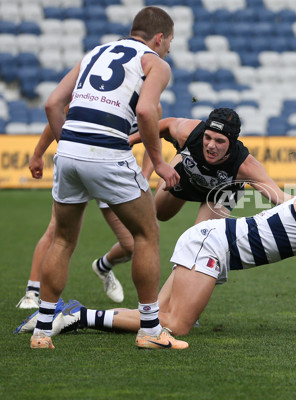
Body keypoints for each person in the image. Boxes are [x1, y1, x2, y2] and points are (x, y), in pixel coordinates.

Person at [24, 161, 296, 338]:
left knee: (157, 317)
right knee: (173, 327)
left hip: (211, 241)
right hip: (212, 242)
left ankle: (74, 315)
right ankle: (79, 315)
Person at [32, 6, 186, 350]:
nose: (169, 50)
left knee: (62, 241)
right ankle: (149, 331)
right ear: (159, 37)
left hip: (68, 153)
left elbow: (54, 104)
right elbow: (146, 111)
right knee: (146, 234)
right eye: (170, 42)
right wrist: (159, 163)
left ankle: (42, 331)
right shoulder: (155, 63)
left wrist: (70, 144)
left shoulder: (94, 52)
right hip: (108, 153)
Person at [91, 107, 291, 286]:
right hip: (185, 177)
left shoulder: (246, 166)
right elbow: (159, 127)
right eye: (208, 137)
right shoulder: (190, 132)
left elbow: (281, 199)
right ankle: (103, 263)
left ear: (232, 143)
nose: (211, 145)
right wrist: (129, 142)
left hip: (221, 192)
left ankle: (183, 300)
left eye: (220, 141)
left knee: (199, 244)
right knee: (158, 215)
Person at [16, 118, 153, 309]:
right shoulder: (93, 91)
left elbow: (152, 139)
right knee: (56, 234)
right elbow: (56, 112)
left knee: (131, 245)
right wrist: (39, 153)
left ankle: (103, 267)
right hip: (79, 164)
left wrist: (145, 176)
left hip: (110, 169)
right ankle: (32, 292)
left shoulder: (148, 103)